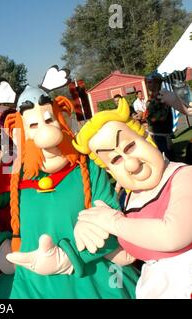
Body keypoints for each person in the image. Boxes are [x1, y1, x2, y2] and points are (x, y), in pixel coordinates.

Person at [0, 85, 139, 299]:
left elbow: (112, 217)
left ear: (61, 118)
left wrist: (71, 255)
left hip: (91, 275)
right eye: (34, 125)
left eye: (49, 120)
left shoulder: (87, 167)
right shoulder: (15, 176)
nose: (46, 133)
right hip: (35, 284)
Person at [73, 98, 192, 299]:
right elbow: (130, 255)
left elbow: (171, 236)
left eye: (129, 147)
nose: (131, 164)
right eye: (116, 160)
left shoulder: (183, 176)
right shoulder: (129, 199)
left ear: (146, 137)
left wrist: (113, 222)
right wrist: (92, 232)